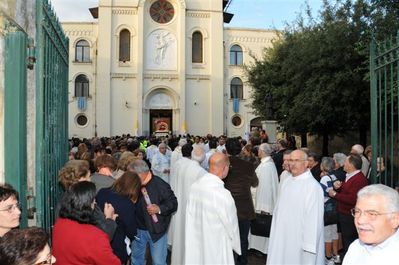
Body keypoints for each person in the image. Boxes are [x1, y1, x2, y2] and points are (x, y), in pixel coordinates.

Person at [267, 149, 325, 265]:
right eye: (290, 160)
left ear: (306, 163)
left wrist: (308, 246)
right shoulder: (287, 181)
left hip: (300, 242)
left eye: (297, 160)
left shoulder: (313, 187)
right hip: (282, 237)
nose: (292, 163)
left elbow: (314, 220)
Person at [184, 153, 241, 264]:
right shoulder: (223, 194)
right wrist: (236, 246)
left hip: (197, 239)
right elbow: (232, 226)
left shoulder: (195, 186)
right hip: (216, 245)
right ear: (225, 168)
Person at [53, 181, 121, 265]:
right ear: (87, 205)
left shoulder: (59, 224)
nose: (95, 203)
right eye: (93, 200)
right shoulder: (95, 236)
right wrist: (109, 219)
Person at [128, 159, 178, 265]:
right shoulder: (134, 184)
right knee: (136, 259)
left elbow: (173, 204)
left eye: (132, 175)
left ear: (141, 174)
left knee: (158, 261)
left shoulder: (160, 185)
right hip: (137, 230)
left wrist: (159, 209)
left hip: (156, 231)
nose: (130, 178)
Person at [58, 159, 117, 241]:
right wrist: (110, 218)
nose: (90, 180)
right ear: (80, 178)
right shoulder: (84, 201)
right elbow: (105, 234)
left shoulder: (64, 200)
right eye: (88, 177)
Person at [343, 184, 399, 265]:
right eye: (357, 212)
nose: (360, 220)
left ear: (395, 220)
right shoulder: (355, 247)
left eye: (372, 214)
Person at [224, 137, 258, 265]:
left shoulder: (223, 164)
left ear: (226, 149)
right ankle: (242, 262)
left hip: (226, 207)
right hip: (244, 207)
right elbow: (255, 183)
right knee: (243, 238)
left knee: (226, 238)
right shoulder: (248, 166)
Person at [170, 146, 207, 264]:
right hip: (192, 209)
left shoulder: (179, 165)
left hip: (177, 203)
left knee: (179, 234)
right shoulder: (201, 172)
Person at [96, 171, 142, 264]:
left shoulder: (102, 192)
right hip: (117, 245)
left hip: (97, 240)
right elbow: (131, 230)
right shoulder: (128, 204)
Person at [328, 154, 368, 257]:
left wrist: (336, 194)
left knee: (350, 242)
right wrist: (339, 187)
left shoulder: (359, 179)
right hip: (345, 214)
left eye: (346, 162)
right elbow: (347, 192)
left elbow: (353, 199)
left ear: (351, 164)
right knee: (347, 241)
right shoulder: (350, 176)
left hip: (349, 216)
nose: (343, 164)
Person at [249, 143, 279, 254]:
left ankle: (260, 249)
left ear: (262, 152)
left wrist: (263, 206)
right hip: (260, 200)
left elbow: (265, 189)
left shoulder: (266, 167)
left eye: (259, 150)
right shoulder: (267, 164)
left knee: (262, 225)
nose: (258, 152)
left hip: (262, 202)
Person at [319, 157, 340, 265]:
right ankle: (336, 255)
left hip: (326, 208)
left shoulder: (324, 178)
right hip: (334, 207)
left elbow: (326, 192)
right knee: (334, 232)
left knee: (327, 234)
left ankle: (328, 257)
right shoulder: (333, 176)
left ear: (324, 166)